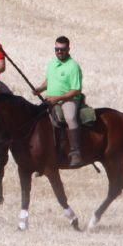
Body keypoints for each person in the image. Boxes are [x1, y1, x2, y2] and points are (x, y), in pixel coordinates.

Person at [33, 36, 84, 166]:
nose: (59, 52)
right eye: (57, 49)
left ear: (68, 49)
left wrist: (59, 98)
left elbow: (75, 90)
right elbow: (49, 81)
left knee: (70, 117)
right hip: (51, 99)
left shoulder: (73, 66)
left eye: (62, 49)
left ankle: (75, 152)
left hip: (69, 100)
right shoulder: (52, 64)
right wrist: (40, 88)